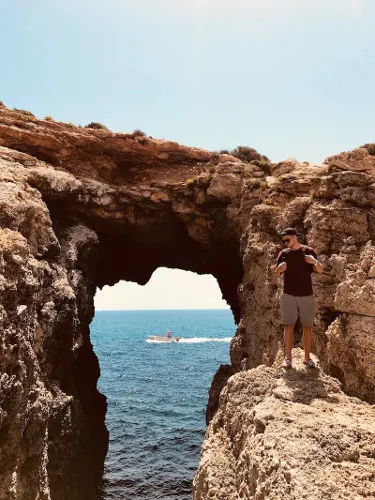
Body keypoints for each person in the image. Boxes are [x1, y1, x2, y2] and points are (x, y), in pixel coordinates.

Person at [274, 228, 323, 369]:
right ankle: (288, 359)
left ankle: (307, 358)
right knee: (288, 326)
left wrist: (314, 262)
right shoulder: (283, 254)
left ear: (295, 237)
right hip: (289, 295)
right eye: (283, 241)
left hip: (307, 295)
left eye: (287, 240)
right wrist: (279, 269)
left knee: (307, 327)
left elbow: (320, 269)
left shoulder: (308, 251)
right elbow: (276, 274)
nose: (285, 243)